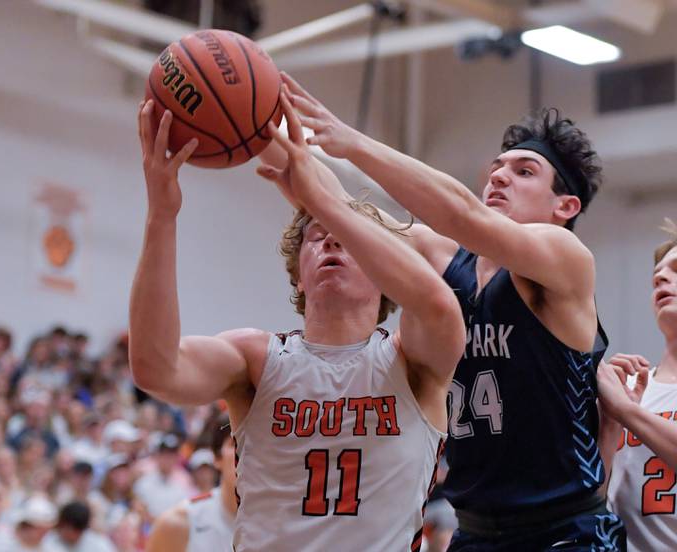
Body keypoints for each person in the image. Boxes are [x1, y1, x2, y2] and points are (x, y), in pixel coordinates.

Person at [278, 72, 622, 549]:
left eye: (524, 171)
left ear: (565, 205)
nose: (499, 175)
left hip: (563, 531)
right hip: (475, 529)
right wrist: (268, 137)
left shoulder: (565, 259)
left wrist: (351, 142)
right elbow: (337, 211)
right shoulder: (443, 258)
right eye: (498, 166)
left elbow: (463, 214)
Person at [128, 88, 464, 550]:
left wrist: (325, 202)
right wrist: (162, 217)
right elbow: (155, 368)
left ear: (386, 273)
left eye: (349, 239)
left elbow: (439, 304)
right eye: (316, 237)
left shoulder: (413, 360)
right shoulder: (255, 359)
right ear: (298, 277)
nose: (330, 241)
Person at [601, 219, 677, 552]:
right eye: (657, 274)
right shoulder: (629, 389)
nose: (661, 277)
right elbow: (592, 497)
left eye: (676, 269)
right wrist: (609, 424)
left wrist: (628, 413)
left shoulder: (627, 404)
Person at [147, 414, 236, 552]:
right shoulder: (177, 524)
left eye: (258, 444)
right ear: (217, 457)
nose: (247, 452)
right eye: (235, 443)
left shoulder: (280, 523)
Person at [41, 501, 115, 552]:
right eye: (64, 527)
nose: (66, 532)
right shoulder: (48, 540)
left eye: (71, 530)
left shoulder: (98, 544)